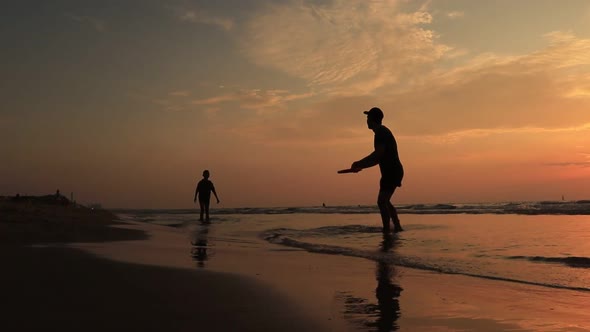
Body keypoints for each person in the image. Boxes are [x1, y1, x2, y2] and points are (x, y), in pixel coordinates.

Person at [351, 107, 404, 233]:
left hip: (392, 171)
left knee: (381, 201)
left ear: (373, 119)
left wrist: (359, 163)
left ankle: (387, 229)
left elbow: (377, 155)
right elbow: (377, 159)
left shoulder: (381, 132)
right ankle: (397, 227)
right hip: (391, 171)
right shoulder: (381, 132)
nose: (367, 121)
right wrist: (361, 166)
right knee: (385, 201)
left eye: (368, 118)